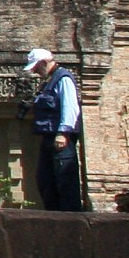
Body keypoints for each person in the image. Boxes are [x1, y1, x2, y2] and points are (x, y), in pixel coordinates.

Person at [25, 47, 84, 211]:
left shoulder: (63, 78)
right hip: (48, 138)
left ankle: (71, 218)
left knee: (65, 180)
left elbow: (70, 107)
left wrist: (63, 133)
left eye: (36, 67)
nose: (35, 71)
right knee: (45, 180)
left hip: (60, 138)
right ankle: (54, 216)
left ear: (45, 62)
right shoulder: (49, 81)